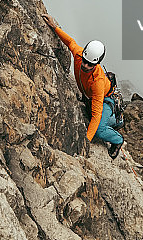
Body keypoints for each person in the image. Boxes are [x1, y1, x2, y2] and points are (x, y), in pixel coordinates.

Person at [42, 14, 123, 158]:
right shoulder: (79, 55)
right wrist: (54, 26)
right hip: (90, 96)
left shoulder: (97, 82)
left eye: (90, 64)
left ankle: (117, 137)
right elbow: (70, 42)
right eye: (85, 61)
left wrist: (85, 141)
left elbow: (97, 115)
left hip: (106, 99)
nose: (85, 65)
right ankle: (114, 120)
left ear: (96, 63)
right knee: (90, 112)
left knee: (99, 129)